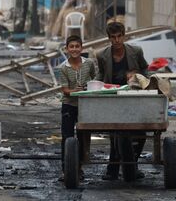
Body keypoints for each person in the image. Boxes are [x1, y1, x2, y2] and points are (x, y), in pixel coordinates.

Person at [96, 21, 149, 180]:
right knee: (115, 132)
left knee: (140, 132)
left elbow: (145, 68)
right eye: (113, 37)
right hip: (113, 97)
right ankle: (113, 169)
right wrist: (93, 85)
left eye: (119, 36)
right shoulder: (102, 55)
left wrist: (141, 79)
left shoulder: (136, 51)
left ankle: (132, 165)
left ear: (124, 36)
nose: (117, 40)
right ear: (109, 39)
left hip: (133, 96)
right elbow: (101, 74)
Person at [59, 35, 97, 182]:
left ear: (81, 48)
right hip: (69, 105)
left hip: (85, 105)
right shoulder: (63, 68)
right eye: (71, 46)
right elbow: (65, 90)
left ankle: (79, 167)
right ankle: (66, 169)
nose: (74, 49)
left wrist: (88, 87)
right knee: (67, 137)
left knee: (83, 136)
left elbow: (95, 78)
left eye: (77, 46)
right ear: (67, 49)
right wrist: (77, 91)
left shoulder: (89, 63)